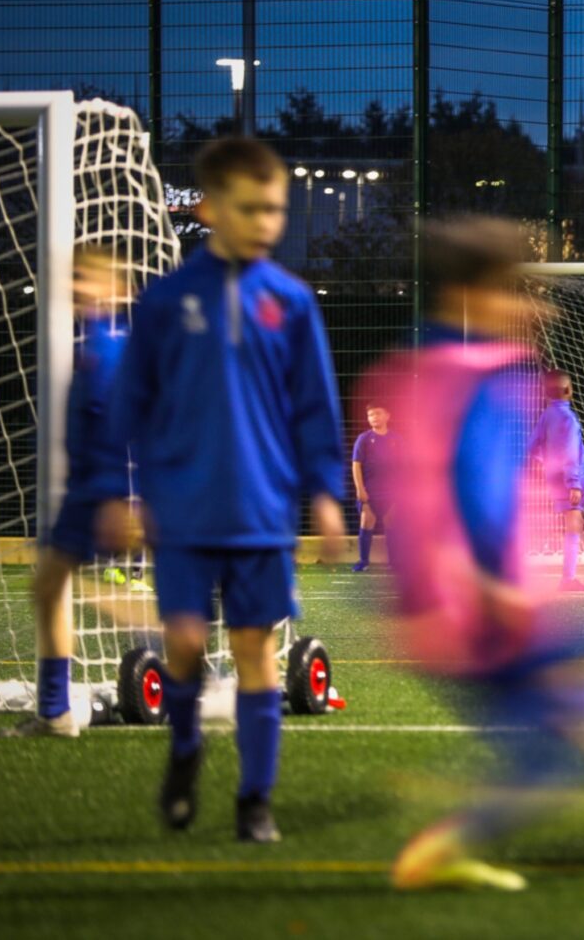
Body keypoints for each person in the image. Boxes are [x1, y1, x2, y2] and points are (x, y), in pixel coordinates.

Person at [371, 219, 584, 892]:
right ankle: (452, 839)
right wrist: (497, 585)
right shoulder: (478, 377)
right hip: (476, 609)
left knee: (583, 731)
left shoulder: (419, 368)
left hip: (448, 602)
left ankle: (456, 837)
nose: (538, 308)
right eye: (517, 290)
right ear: (469, 295)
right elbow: (473, 491)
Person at [103, 136, 346, 842]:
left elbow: (315, 407)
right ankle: (185, 750)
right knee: (182, 643)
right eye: (250, 208)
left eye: (275, 209)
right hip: (179, 509)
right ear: (210, 209)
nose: (266, 221)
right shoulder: (167, 300)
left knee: (253, 651)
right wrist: (114, 489)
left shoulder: (291, 302)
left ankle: (254, 800)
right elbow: (130, 402)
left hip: (262, 513)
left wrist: (325, 492)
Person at [0, 244, 138, 738]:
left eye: (88, 278)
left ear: (118, 290)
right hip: (89, 490)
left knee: (56, 586)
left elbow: (129, 427)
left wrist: (122, 497)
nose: (77, 286)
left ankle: (209, 664)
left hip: (107, 492)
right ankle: (55, 711)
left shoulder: (115, 349)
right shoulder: (94, 343)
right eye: (74, 277)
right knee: (49, 586)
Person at [527, 370, 584, 590]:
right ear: (568, 390)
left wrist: (545, 464)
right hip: (571, 479)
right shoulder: (568, 418)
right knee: (574, 522)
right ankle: (568, 579)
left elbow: (533, 445)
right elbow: (571, 452)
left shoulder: (547, 415)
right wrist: (573, 483)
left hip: (558, 478)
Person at [351, 403, 397, 573]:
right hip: (369, 491)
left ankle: (394, 562)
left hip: (391, 492)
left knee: (392, 524)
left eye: (377, 413)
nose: (374, 417)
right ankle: (363, 561)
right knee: (366, 522)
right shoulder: (363, 439)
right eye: (370, 415)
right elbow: (356, 465)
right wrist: (360, 489)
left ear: (387, 416)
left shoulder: (396, 439)